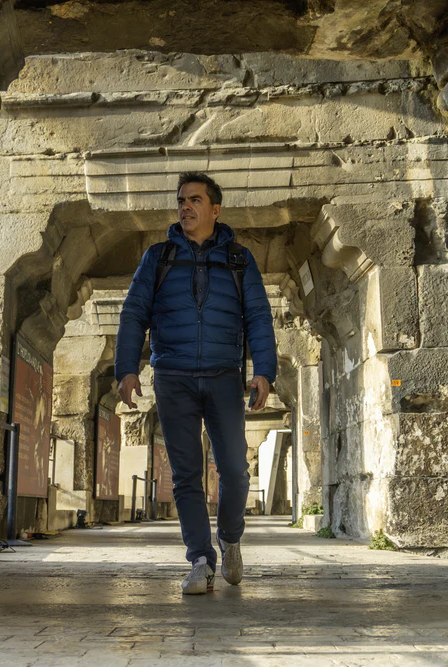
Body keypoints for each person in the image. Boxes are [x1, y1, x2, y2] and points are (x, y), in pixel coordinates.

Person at [115, 172, 277, 595]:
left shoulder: (240, 259)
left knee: (235, 470)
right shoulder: (158, 257)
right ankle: (201, 560)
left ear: (215, 209)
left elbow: (258, 315)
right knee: (186, 474)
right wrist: (127, 369)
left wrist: (264, 370)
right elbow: (134, 313)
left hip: (224, 376)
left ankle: (230, 536)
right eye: (181, 201)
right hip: (173, 375)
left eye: (195, 200)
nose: (185, 207)